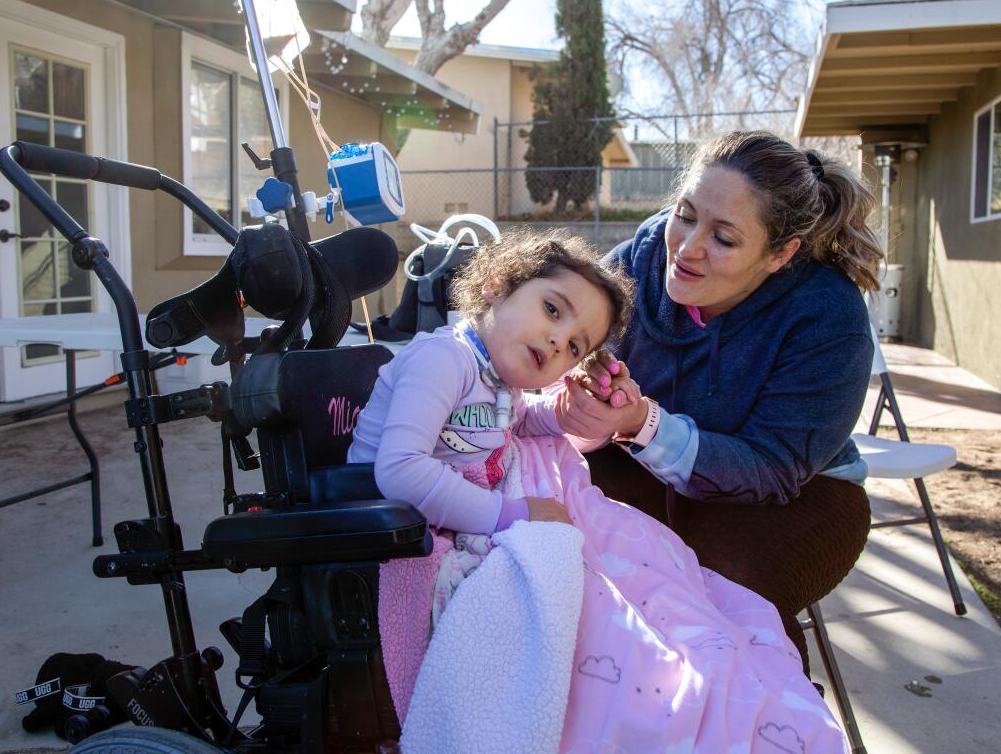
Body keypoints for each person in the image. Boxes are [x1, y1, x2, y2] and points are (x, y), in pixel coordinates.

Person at [349, 231, 850, 752]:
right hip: (395, 532)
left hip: (454, 518)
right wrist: (512, 514)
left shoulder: (498, 380)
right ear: (496, 286)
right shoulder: (444, 361)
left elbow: (520, 423)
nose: (556, 341)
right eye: (552, 309)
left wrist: (573, 412)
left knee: (633, 571)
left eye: (574, 346)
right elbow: (401, 471)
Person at [557, 130, 884, 674]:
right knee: (561, 555)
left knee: (723, 598)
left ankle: (768, 729)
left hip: (796, 495)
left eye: (725, 238)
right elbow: (555, 357)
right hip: (639, 461)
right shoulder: (636, 263)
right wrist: (582, 402)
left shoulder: (828, 317)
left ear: (780, 254)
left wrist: (643, 422)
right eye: (684, 214)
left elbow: (772, 468)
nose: (686, 249)